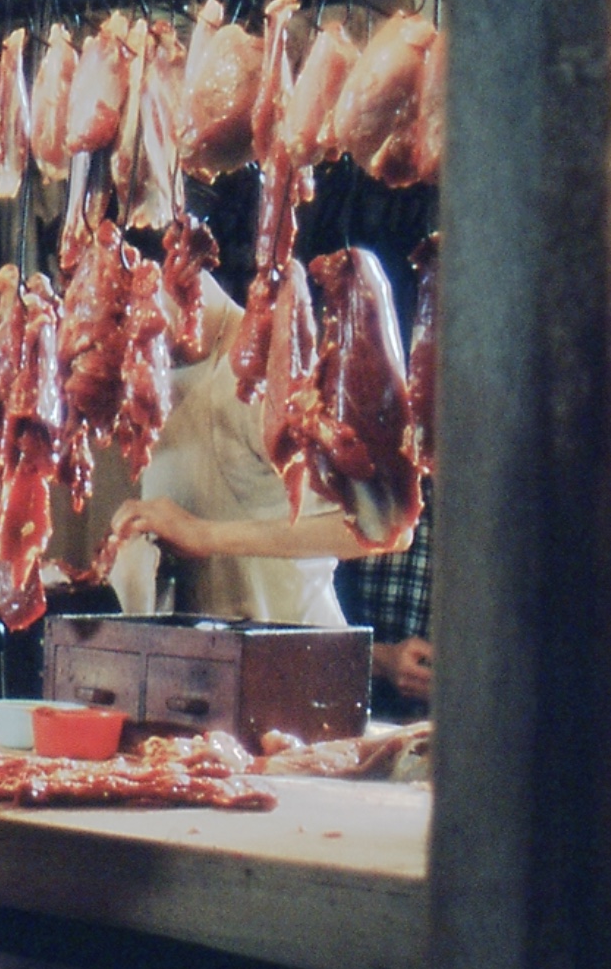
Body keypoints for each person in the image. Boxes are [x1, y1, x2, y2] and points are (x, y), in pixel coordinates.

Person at [104, 275, 401, 624]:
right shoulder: (156, 370)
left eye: (121, 316)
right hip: (203, 660)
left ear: (174, 271)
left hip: (289, 661)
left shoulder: (262, 372)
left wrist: (205, 535)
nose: (115, 340)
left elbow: (385, 528)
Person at [337, 480, 433, 719]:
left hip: (466, 734)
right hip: (351, 716)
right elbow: (299, 621)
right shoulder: (365, 483)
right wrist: (380, 658)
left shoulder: (516, 510)